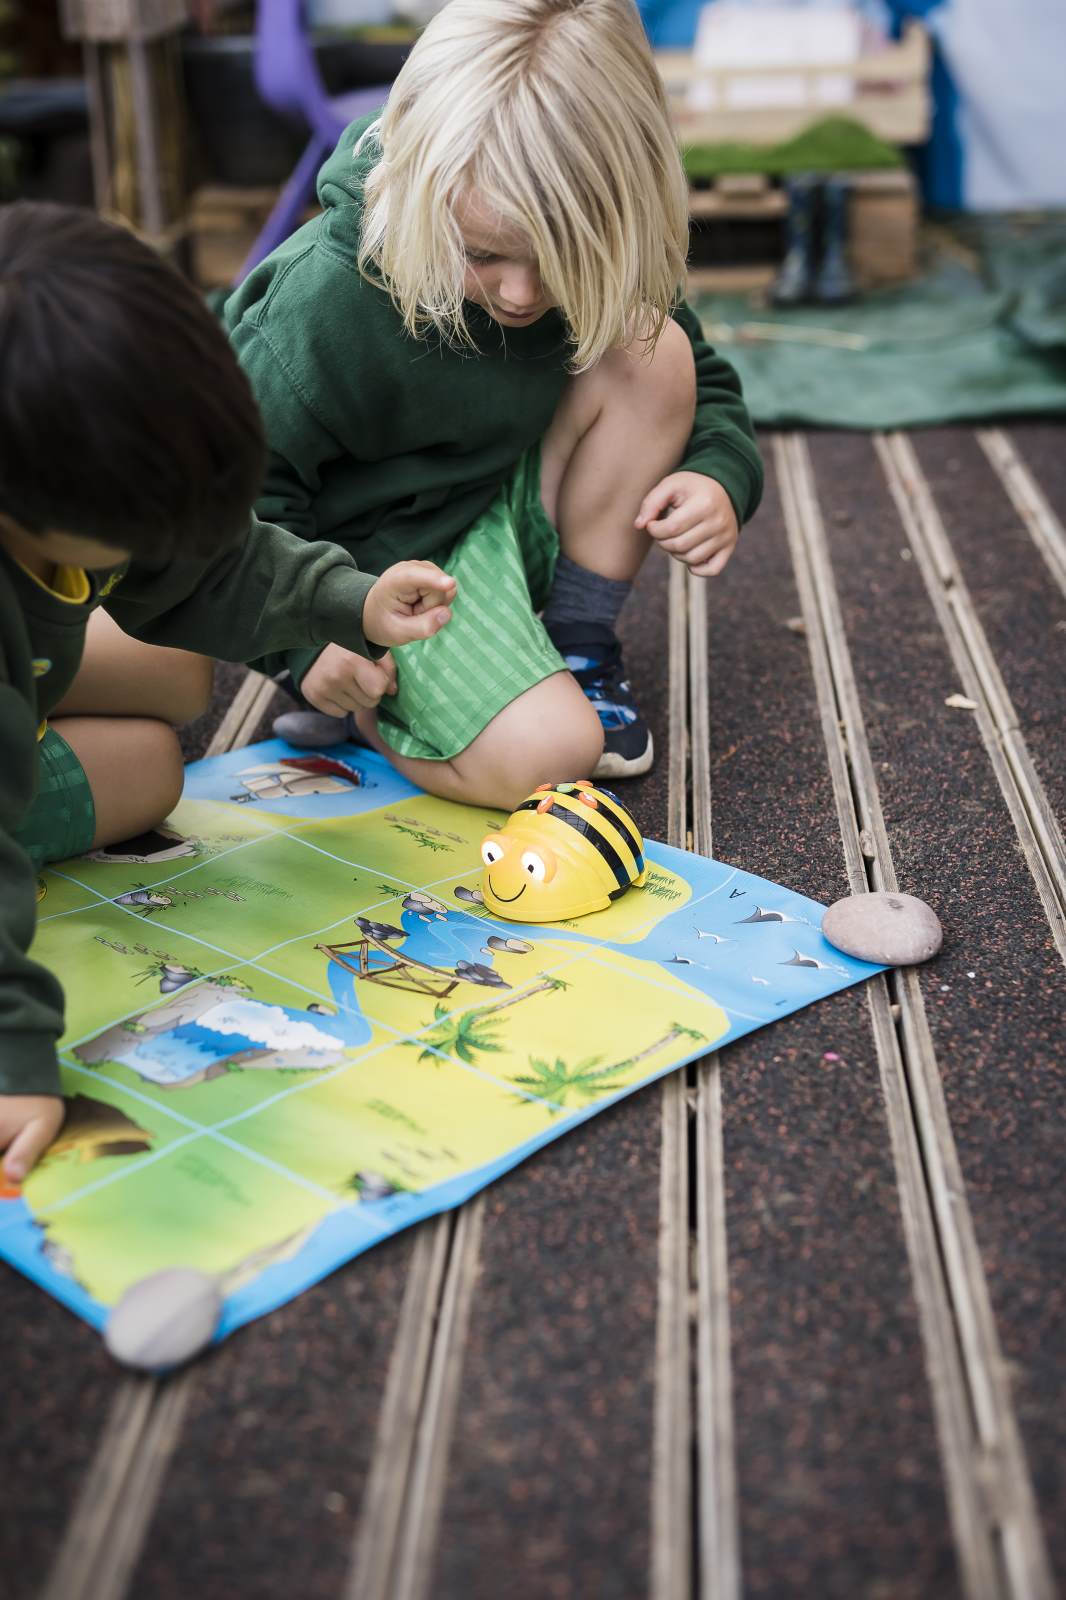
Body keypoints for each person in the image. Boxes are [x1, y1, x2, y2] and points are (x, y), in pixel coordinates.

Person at [0, 201, 456, 1183]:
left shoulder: (61, 463)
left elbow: (216, 564)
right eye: (135, 532)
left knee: (153, 752)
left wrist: (350, 602)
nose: (160, 544)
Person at [226, 0, 763, 803]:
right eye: (481, 255)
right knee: (552, 756)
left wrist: (718, 474)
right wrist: (310, 644)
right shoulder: (317, 305)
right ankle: (365, 706)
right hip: (379, 576)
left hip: (499, 501)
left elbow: (699, 375)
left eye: (560, 257)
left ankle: (579, 644)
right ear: (418, 185)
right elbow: (235, 503)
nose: (521, 293)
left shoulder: (595, 241)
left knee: (650, 346)